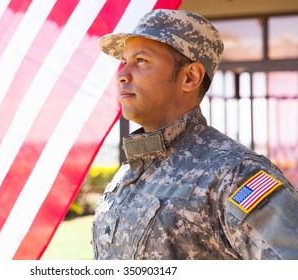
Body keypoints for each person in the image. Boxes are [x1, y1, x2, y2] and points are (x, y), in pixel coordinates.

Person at [91, 9, 298, 260]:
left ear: (190, 77)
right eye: (124, 61)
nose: (122, 75)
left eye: (141, 61)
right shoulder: (128, 174)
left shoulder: (236, 174)